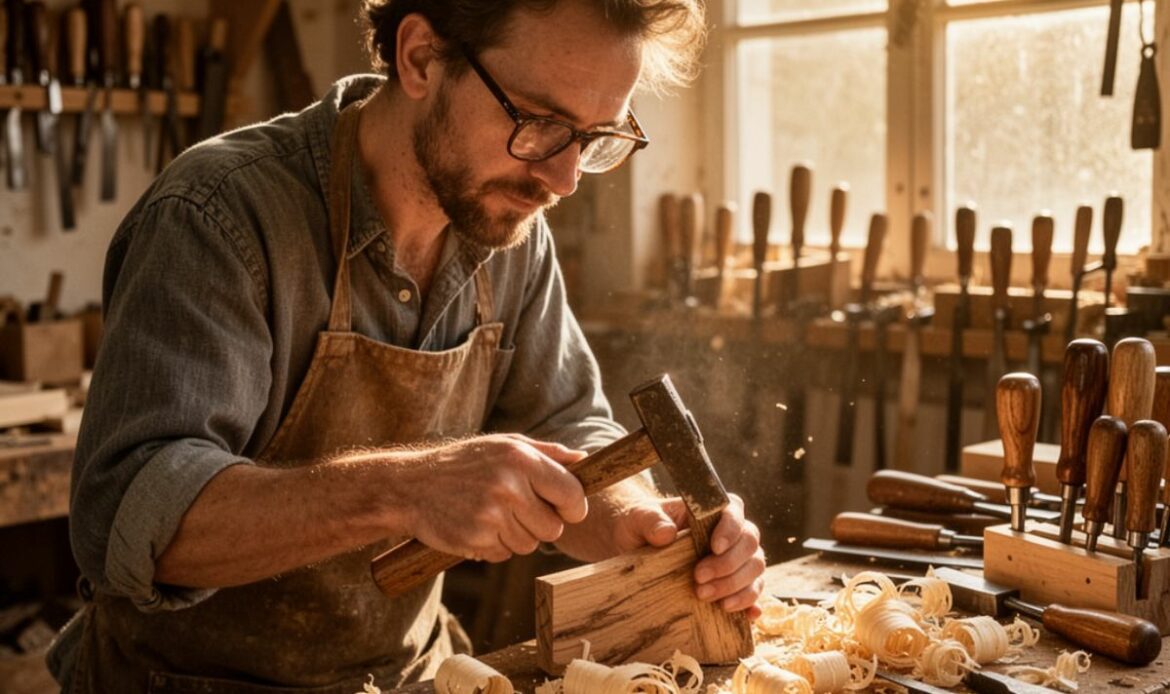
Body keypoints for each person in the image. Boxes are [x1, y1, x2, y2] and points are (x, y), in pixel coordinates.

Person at [48, 0, 766, 691]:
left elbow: (568, 426)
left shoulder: (509, 227)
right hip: (184, 684)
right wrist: (407, 489)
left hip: (408, 676)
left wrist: (631, 520)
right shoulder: (220, 214)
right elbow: (132, 521)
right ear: (420, 56)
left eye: (595, 136)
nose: (563, 177)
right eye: (541, 122)